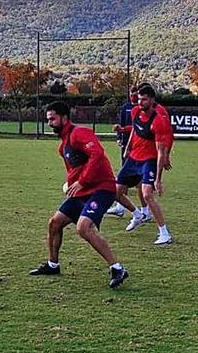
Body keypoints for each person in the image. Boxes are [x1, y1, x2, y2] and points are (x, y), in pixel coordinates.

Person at [29, 101, 129, 288]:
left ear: (64, 118)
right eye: (48, 119)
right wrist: (71, 184)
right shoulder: (63, 145)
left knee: (83, 228)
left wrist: (82, 181)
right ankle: (53, 264)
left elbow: (97, 154)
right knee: (54, 223)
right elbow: (75, 168)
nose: (49, 123)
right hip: (81, 192)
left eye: (52, 119)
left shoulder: (79, 133)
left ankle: (117, 268)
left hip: (102, 189)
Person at [113, 84, 175, 245]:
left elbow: (160, 151)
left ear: (152, 101)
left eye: (144, 99)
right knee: (116, 192)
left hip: (149, 161)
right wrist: (127, 149)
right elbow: (134, 129)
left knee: (147, 194)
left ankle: (164, 234)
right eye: (139, 99)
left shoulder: (158, 121)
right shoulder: (135, 112)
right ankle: (137, 214)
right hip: (133, 159)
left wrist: (158, 179)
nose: (140, 102)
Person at [107, 86, 149, 218]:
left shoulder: (143, 111)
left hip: (138, 149)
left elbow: (135, 128)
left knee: (137, 181)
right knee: (124, 177)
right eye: (132, 94)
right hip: (127, 146)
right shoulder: (125, 107)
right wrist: (120, 137)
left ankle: (144, 211)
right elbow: (122, 124)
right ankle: (122, 207)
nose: (134, 96)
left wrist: (123, 130)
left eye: (137, 95)